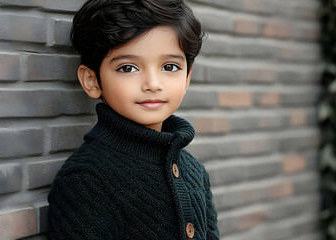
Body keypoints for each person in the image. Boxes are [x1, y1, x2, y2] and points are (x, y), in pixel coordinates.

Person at [47, 0, 220, 239]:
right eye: (128, 68)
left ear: (187, 77)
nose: (153, 84)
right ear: (92, 80)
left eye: (169, 67)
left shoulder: (193, 169)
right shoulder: (85, 180)